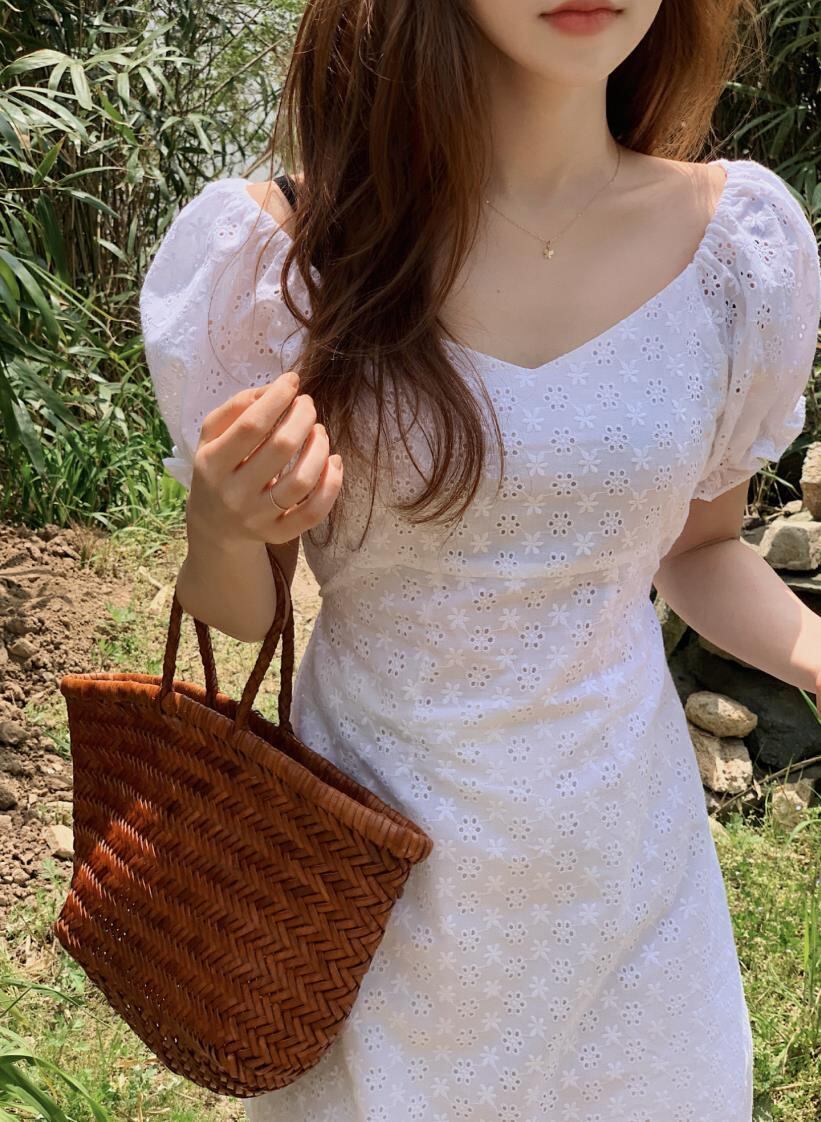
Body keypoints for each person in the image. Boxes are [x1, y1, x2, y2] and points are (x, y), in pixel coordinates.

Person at [139, 1, 821, 1119]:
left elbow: (701, 547)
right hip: (370, 896)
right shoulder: (288, 258)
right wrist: (221, 528)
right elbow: (246, 618)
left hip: (631, 895)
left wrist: (810, 650)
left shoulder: (732, 252)